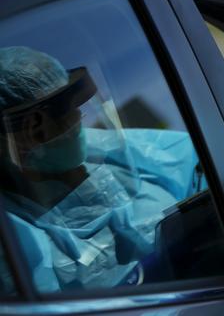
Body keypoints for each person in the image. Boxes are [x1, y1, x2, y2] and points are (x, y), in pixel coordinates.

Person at [0, 46, 201, 292]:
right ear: (35, 129)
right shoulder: (17, 249)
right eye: (72, 109)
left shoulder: (129, 159)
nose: (80, 118)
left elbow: (211, 179)